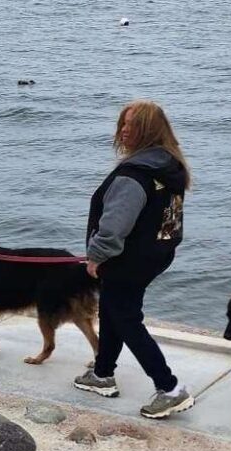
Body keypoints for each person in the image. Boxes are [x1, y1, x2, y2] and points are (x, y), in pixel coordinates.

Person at [74, 100, 192, 418]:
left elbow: (114, 227)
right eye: (122, 123)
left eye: (132, 125)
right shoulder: (170, 167)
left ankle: (169, 387)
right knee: (113, 310)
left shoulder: (133, 175)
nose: (124, 130)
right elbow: (169, 221)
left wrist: (96, 257)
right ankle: (102, 374)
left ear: (148, 131)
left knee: (126, 319)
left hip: (125, 260)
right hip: (154, 256)